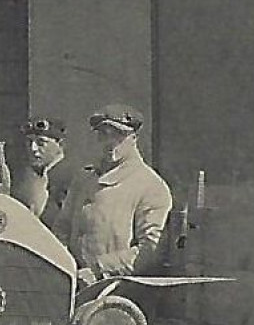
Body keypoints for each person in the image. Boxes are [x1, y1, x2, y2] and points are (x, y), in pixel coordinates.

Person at [53, 104, 173, 287]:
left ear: (133, 138)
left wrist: (98, 269)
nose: (109, 142)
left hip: (119, 291)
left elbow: (149, 251)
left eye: (118, 135)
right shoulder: (84, 179)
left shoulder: (150, 186)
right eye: (103, 134)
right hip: (72, 283)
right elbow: (62, 226)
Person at [0, 117, 69, 223]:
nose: (33, 148)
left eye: (41, 143)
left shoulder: (70, 177)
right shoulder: (28, 177)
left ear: (60, 144)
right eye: (29, 142)